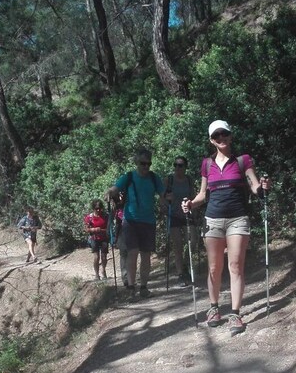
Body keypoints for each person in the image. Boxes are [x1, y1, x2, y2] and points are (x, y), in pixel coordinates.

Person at [182, 120, 270, 336]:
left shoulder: (243, 160)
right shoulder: (207, 164)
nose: (221, 138)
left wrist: (264, 188)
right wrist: (191, 204)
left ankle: (235, 313)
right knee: (214, 268)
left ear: (230, 136)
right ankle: (213, 309)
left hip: (238, 219)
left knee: (235, 265)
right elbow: (203, 194)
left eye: (224, 134)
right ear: (212, 140)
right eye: (216, 136)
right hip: (212, 219)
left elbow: (255, 186)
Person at [107, 149, 166, 298]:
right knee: (132, 253)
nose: (146, 166)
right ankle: (131, 288)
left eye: (148, 163)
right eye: (143, 163)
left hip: (148, 221)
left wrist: (168, 200)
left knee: (146, 255)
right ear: (136, 162)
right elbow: (116, 188)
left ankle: (144, 287)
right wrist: (110, 192)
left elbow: (163, 193)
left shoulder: (154, 178)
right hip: (131, 221)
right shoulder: (128, 177)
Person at [165, 156, 197, 287]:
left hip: (188, 214)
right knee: (177, 244)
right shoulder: (169, 179)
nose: (177, 168)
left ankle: (184, 264)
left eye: (181, 165)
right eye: (176, 165)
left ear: (185, 167)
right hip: (173, 215)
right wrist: (166, 204)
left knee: (193, 241)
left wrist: (194, 210)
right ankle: (180, 274)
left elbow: (194, 196)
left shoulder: (189, 180)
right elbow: (162, 197)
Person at [85, 199, 109, 280]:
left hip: (104, 238)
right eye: (96, 208)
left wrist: (101, 230)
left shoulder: (105, 216)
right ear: (93, 208)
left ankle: (103, 270)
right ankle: (96, 274)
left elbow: (108, 229)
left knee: (104, 257)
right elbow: (87, 229)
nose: (98, 210)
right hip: (94, 238)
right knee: (96, 257)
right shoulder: (90, 217)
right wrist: (94, 230)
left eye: (99, 208)